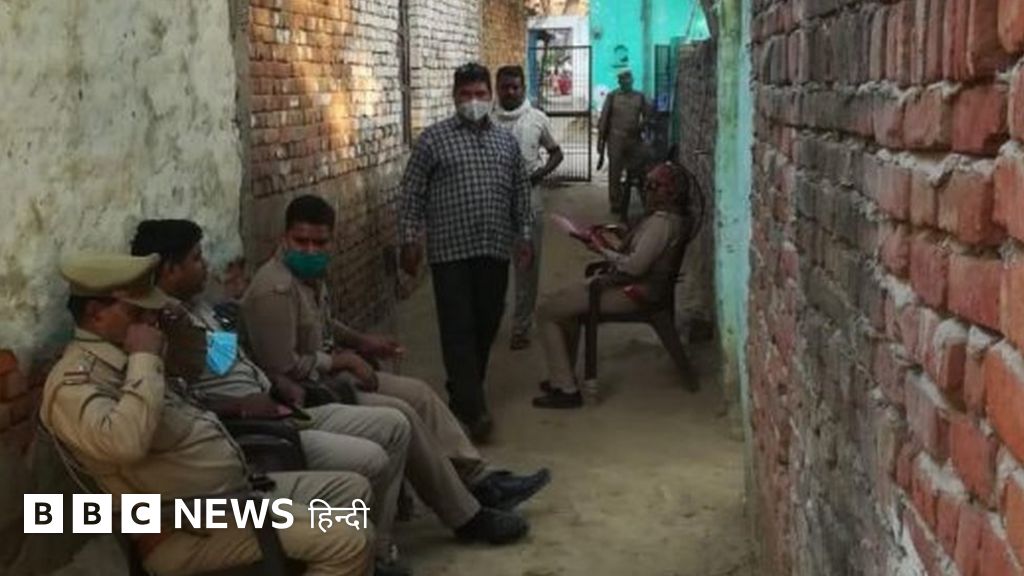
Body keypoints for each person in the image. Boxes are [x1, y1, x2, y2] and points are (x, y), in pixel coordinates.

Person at [39, 252, 373, 576]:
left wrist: (178, 326)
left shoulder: (127, 351)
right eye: (137, 312)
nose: (148, 321)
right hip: (186, 528)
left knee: (351, 491)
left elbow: (193, 366)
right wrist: (144, 360)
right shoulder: (75, 383)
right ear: (96, 314)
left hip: (234, 495)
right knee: (348, 542)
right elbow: (124, 443)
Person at [235, 200, 548, 542]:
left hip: (331, 380)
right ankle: (465, 516)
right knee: (403, 415)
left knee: (419, 394)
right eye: (301, 241)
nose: (310, 250)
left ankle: (480, 481)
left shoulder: (307, 277)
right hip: (309, 394)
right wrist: (342, 361)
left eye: (320, 242)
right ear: (284, 238)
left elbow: (323, 325)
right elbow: (283, 367)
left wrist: (362, 342)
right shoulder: (274, 289)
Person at [129, 221, 412, 575]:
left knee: (395, 425)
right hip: (252, 433)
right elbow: (187, 403)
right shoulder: (157, 336)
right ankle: (352, 554)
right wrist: (241, 406)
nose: (207, 266)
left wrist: (273, 381)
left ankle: (372, 553)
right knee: (368, 462)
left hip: (278, 407)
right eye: (197, 259)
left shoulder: (198, 308)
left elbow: (228, 363)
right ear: (171, 269)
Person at [399, 62, 533, 440]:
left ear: (490, 97)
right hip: (450, 251)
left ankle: (464, 391)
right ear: (454, 97)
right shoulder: (433, 140)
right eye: (466, 94)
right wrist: (409, 239)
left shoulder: (505, 142)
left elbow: (520, 193)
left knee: (487, 321)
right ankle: (475, 411)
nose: (474, 101)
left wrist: (524, 236)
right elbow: (412, 192)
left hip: (493, 247)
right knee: (458, 326)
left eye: (480, 94)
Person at [532, 162, 697, 409]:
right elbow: (640, 254)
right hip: (634, 287)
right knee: (562, 305)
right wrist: (618, 240)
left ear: (670, 193)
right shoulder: (668, 219)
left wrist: (601, 249)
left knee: (547, 310)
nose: (647, 191)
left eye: (653, 186)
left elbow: (634, 267)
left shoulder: (661, 224)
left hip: (633, 291)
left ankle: (566, 389)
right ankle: (562, 376)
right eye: (648, 185)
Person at [492, 65, 565, 351]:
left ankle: (521, 327)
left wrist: (538, 175)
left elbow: (556, 153)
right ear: (497, 89)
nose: (510, 92)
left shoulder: (537, 119)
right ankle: (491, 322)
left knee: (526, 269)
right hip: (493, 207)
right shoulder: (486, 120)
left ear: (523, 88)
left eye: (515, 87)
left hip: (529, 206)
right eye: (505, 87)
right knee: (494, 268)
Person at [597, 70, 651, 218]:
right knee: (615, 172)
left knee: (638, 171)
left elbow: (648, 115)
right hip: (615, 139)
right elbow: (604, 120)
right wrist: (600, 142)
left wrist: (642, 126)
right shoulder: (612, 96)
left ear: (632, 81)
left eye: (629, 80)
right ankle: (616, 203)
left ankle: (640, 199)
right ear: (619, 82)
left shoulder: (639, 97)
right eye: (623, 80)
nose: (626, 82)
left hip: (634, 139)